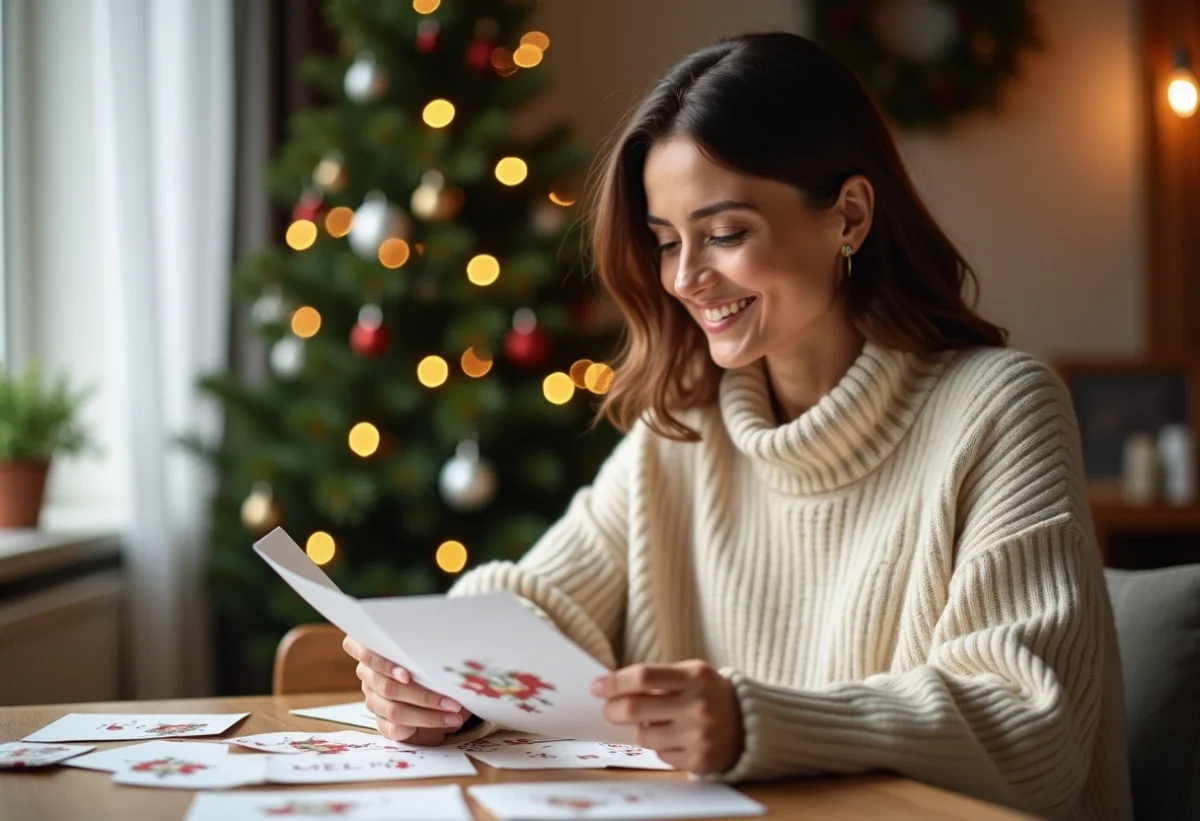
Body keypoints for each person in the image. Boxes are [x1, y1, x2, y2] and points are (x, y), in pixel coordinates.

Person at [343, 32, 1133, 820]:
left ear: (850, 215)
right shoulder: (685, 428)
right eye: (664, 242)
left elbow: (1033, 731)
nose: (687, 278)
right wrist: (441, 671)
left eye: (724, 233)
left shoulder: (1000, 408)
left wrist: (756, 719)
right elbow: (542, 601)